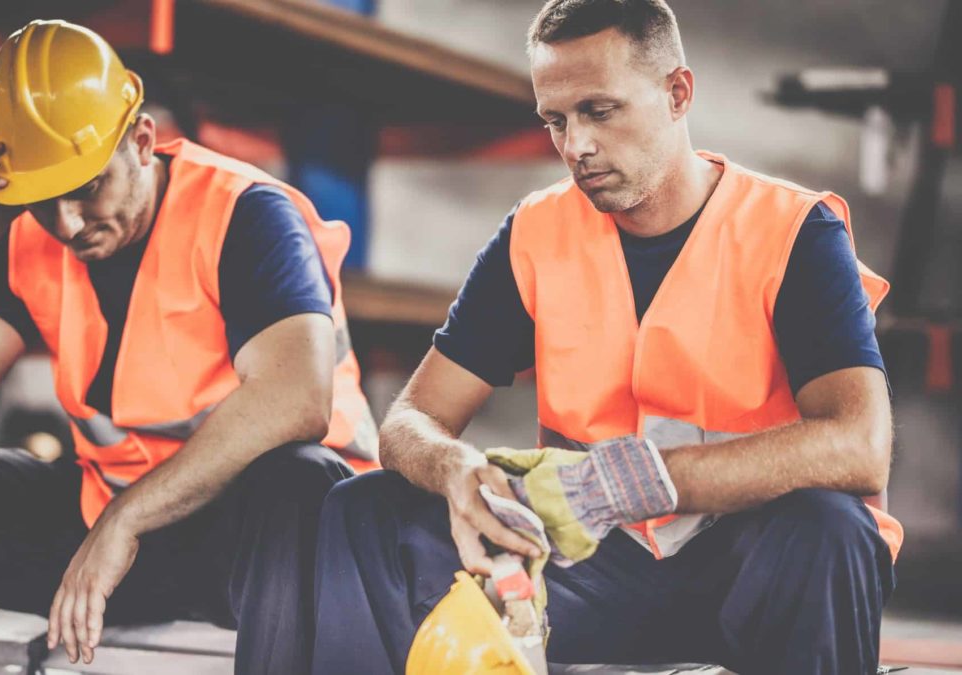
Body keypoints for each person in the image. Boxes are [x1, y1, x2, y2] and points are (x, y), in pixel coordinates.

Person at [311, 1, 902, 673]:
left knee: (831, 530)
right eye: (556, 120)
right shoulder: (536, 233)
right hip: (591, 567)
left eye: (600, 110)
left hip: (748, 567)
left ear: (678, 93)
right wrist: (458, 472)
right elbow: (411, 420)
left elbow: (861, 443)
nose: (576, 147)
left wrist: (637, 481)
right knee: (364, 507)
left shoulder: (794, 232)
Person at [0, 19, 377, 675]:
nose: (67, 224)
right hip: (125, 532)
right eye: (41, 200)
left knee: (301, 480)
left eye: (87, 188)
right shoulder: (34, 239)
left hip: (272, 547)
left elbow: (298, 397)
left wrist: (125, 521)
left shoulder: (245, 214)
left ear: (141, 141)